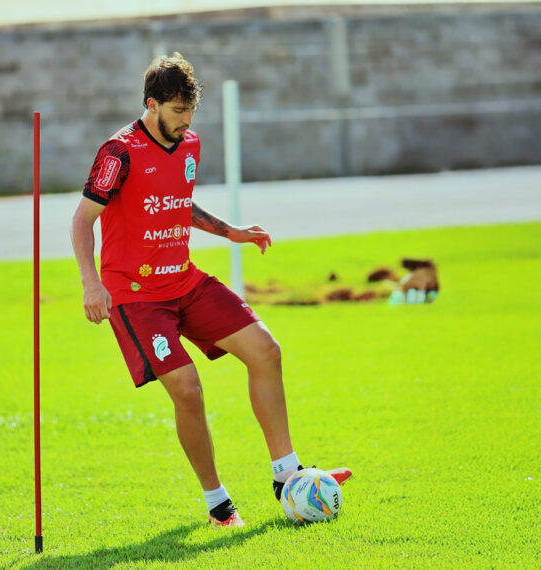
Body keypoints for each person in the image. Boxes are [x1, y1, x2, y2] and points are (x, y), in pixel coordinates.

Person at [70, 53, 350, 527]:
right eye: (177, 112)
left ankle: (287, 474)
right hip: (136, 297)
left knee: (266, 349)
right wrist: (90, 283)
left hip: (185, 281)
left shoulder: (189, 143)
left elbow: (179, 201)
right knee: (188, 388)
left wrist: (231, 232)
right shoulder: (117, 153)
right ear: (151, 104)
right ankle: (218, 502)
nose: (185, 122)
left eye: (190, 113)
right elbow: (82, 221)